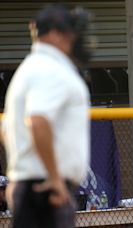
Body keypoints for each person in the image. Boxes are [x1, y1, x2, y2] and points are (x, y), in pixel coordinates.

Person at [1, 4, 92, 228]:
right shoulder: (50, 68)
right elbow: (37, 121)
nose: (75, 39)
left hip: (34, 186)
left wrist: (18, 175)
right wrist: (53, 178)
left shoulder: (31, 67)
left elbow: (7, 129)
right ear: (54, 34)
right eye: (70, 32)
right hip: (46, 190)